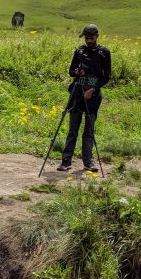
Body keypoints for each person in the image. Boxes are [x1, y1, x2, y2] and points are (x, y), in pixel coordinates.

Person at [59, 23, 111, 172]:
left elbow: (106, 76)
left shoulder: (104, 53)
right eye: (86, 38)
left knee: (89, 131)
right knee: (72, 129)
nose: (88, 41)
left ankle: (88, 162)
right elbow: (71, 71)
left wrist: (93, 89)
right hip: (77, 93)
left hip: (93, 96)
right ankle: (66, 161)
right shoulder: (79, 51)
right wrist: (77, 72)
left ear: (97, 36)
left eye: (91, 38)